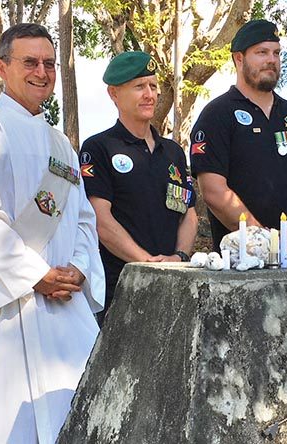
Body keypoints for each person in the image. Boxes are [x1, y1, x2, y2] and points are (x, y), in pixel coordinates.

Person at [0, 23, 105, 442]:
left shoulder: (62, 145)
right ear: (1, 67)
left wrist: (80, 269)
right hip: (9, 306)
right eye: (30, 62)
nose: (43, 71)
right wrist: (37, 275)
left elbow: (85, 218)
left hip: (65, 307)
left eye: (50, 63)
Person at [79, 51, 197, 323]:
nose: (149, 94)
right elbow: (101, 220)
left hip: (174, 284)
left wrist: (179, 257)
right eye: (139, 86)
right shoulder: (99, 148)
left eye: (153, 86)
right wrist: (147, 263)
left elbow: (188, 213)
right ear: (114, 94)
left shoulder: (174, 152)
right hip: (122, 287)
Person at [190, 19, 287, 253]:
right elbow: (213, 191)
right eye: (261, 52)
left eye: (276, 53)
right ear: (239, 58)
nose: (271, 60)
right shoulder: (217, 115)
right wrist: (264, 240)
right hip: (239, 261)